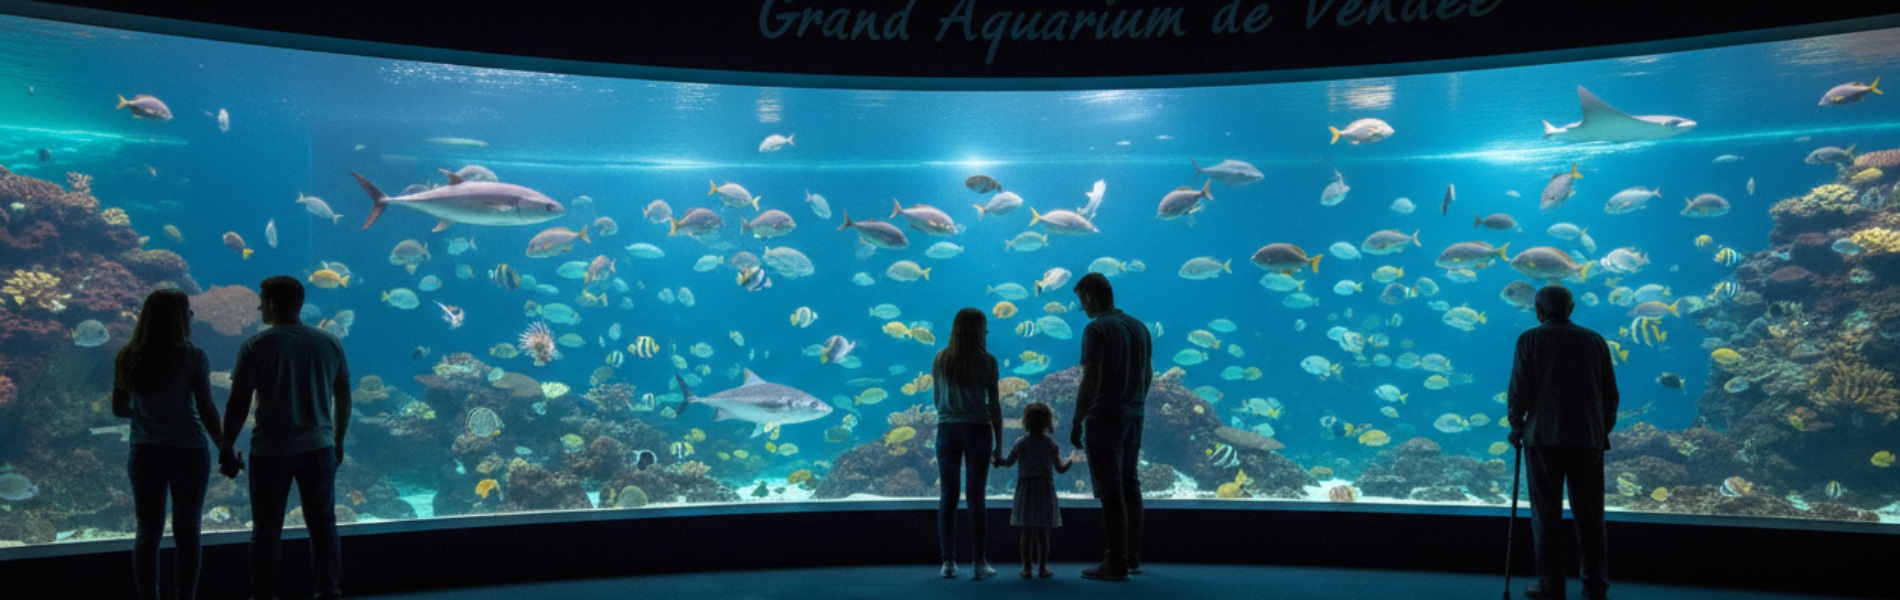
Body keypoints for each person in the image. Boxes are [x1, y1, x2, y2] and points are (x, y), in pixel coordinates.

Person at [218, 276, 352, 600]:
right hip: (319, 447)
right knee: (323, 525)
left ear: (274, 303)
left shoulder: (256, 345)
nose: (259, 305)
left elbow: (239, 402)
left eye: (262, 299)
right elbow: (344, 396)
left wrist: (226, 446)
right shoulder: (329, 342)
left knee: (266, 530)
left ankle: (264, 594)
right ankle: (328, 590)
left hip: (270, 450)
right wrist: (338, 441)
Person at [113, 289, 225, 600]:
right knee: (188, 531)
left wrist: (150, 413)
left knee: (147, 531)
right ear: (180, 318)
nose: (191, 316)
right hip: (189, 450)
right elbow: (206, 409)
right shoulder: (193, 356)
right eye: (187, 311)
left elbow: (119, 409)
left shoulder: (128, 355)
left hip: (145, 450)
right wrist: (224, 448)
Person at [1508, 285, 1617, 600]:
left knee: (1546, 514)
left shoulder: (1530, 339)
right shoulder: (1594, 340)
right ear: (1572, 308)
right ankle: (1596, 586)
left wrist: (1517, 427)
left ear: (1538, 311)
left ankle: (1551, 585)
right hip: (1588, 439)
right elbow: (1610, 394)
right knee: (1591, 515)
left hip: (1543, 438)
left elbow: (1519, 389)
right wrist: (1600, 428)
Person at [1068, 272, 1152, 581]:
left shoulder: (1097, 328)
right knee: (1131, 484)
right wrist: (1136, 403)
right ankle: (1132, 557)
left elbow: (1091, 379)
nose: (1082, 309)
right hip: (1135, 414)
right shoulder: (1140, 327)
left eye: (1081, 302)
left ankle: (1115, 562)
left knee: (1111, 490)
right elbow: (1148, 374)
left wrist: (1078, 419)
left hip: (1105, 415)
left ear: (1090, 298)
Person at [932, 307, 1002, 580]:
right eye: (984, 326)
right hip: (978, 429)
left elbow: (938, 400)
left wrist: (953, 408)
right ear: (976, 329)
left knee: (947, 496)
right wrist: (999, 444)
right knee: (976, 496)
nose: (986, 331)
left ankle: (948, 563)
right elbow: (994, 405)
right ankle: (979, 563)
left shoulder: (941, 358)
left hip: (947, 429)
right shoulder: (987, 361)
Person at [994, 401, 1081, 579]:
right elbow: (1060, 469)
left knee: (1026, 531)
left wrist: (996, 460)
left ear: (1025, 421)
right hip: (1044, 489)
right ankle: (1042, 568)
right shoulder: (1051, 445)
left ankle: (1026, 568)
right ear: (1048, 422)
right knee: (1042, 532)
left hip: (1025, 489)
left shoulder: (1021, 443)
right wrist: (1071, 460)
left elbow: (1008, 462)